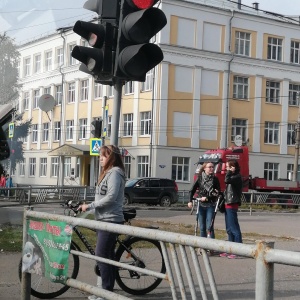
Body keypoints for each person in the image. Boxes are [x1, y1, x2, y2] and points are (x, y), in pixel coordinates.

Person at [79, 145, 126, 300]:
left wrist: (90, 206)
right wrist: (87, 207)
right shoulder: (106, 173)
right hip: (103, 219)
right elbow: (101, 197)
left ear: (111, 158)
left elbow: (111, 197)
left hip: (111, 220)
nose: (100, 160)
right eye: (100, 157)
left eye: (103, 157)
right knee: (108, 255)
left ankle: (105, 292)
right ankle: (108, 291)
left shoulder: (115, 173)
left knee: (101, 254)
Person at [188, 162, 221, 241]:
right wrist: (190, 201)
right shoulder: (200, 178)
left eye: (213, 167)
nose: (211, 169)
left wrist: (207, 198)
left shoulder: (215, 179)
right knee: (202, 227)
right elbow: (192, 190)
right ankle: (202, 245)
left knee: (209, 226)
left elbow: (217, 193)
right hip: (201, 205)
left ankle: (211, 246)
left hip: (210, 205)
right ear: (204, 168)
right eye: (209, 167)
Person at [219, 159, 243, 259]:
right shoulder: (233, 176)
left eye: (228, 167)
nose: (226, 169)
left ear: (233, 167)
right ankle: (230, 249)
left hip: (232, 204)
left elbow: (226, 180)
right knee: (229, 229)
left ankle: (238, 249)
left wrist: (229, 172)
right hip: (227, 203)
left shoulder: (237, 177)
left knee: (234, 228)